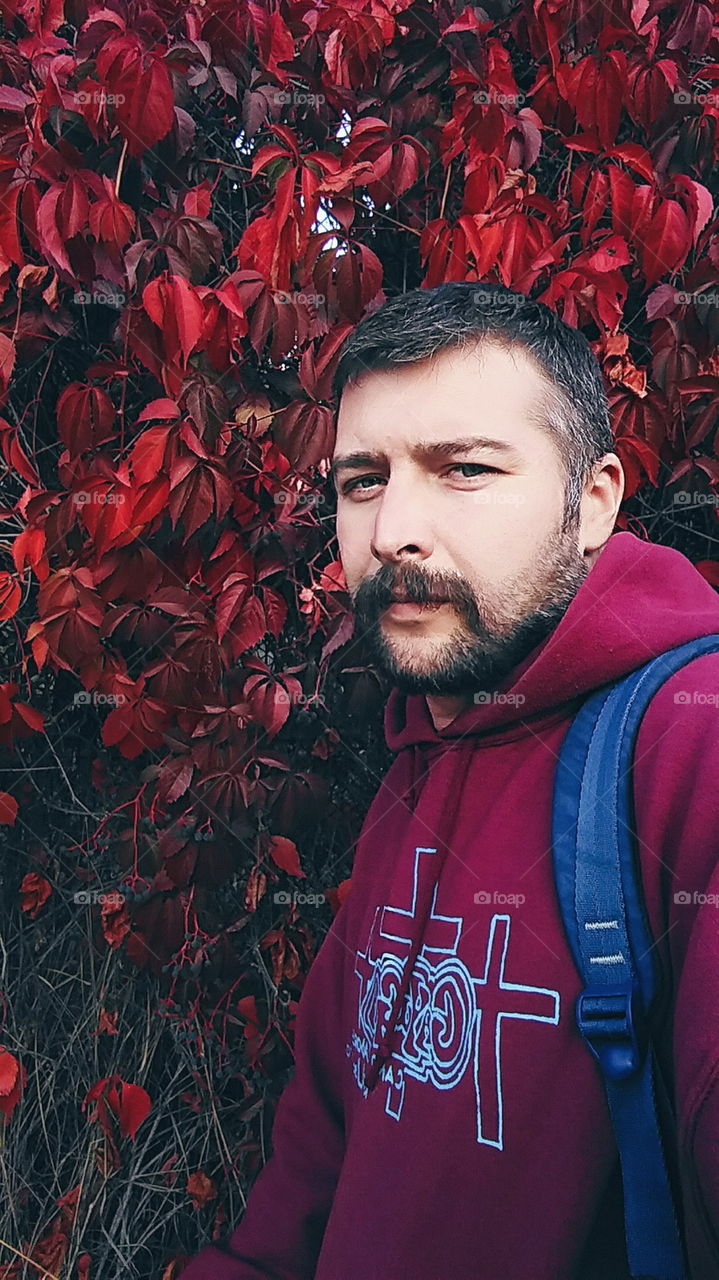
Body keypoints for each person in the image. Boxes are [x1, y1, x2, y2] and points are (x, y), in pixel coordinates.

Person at [180, 282, 719, 1280]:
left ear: (591, 498)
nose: (390, 532)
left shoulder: (687, 745)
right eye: (360, 480)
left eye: (462, 468)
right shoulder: (416, 758)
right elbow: (317, 1160)